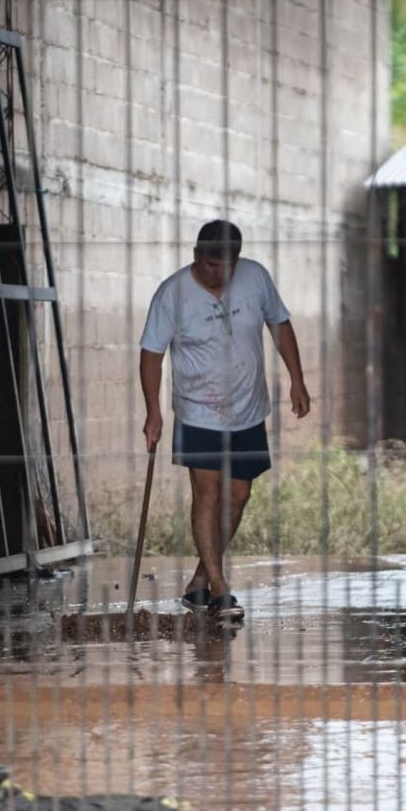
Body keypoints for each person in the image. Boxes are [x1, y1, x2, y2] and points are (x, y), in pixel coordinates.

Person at [138, 220, 310, 620]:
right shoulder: (172, 293)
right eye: (209, 264)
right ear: (197, 255)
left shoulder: (256, 278)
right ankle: (220, 588)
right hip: (198, 410)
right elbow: (151, 353)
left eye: (224, 266)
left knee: (238, 496)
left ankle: (200, 580)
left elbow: (280, 325)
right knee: (209, 494)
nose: (216, 273)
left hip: (248, 408)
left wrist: (297, 379)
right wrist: (153, 411)